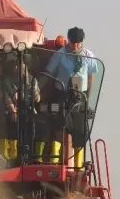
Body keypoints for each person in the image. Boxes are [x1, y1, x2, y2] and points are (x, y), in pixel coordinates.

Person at [41, 26, 98, 168]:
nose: (75, 45)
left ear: (82, 42)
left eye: (78, 43)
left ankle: (77, 167)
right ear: (69, 41)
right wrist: (39, 91)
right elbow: (49, 73)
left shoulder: (88, 55)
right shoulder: (60, 55)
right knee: (59, 126)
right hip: (63, 94)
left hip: (80, 95)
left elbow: (91, 78)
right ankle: (54, 163)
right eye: (73, 42)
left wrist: (87, 98)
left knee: (81, 131)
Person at [3, 55, 40, 160]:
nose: (18, 68)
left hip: (29, 109)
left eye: (21, 66)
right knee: (12, 122)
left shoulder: (33, 80)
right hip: (13, 110)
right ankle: (13, 155)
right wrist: (13, 110)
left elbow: (37, 97)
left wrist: (36, 96)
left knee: (34, 123)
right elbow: (7, 98)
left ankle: (31, 154)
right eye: (16, 66)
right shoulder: (7, 81)